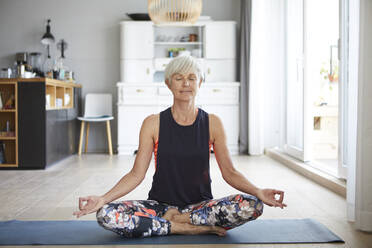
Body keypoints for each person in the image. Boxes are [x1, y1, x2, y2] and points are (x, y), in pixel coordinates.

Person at [73, 55, 287, 238]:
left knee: (253, 204)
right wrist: (103, 198)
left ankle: (182, 220)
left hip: (200, 207)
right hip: (160, 207)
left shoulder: (213, 123)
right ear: (169, 83)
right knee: (106, 214)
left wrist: (258, 191)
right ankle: (187, 228)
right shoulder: (153, 123)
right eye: (179, 78)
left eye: (192, 78)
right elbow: (136, 174)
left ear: (200, 83)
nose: (186, 83)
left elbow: (230, 172)